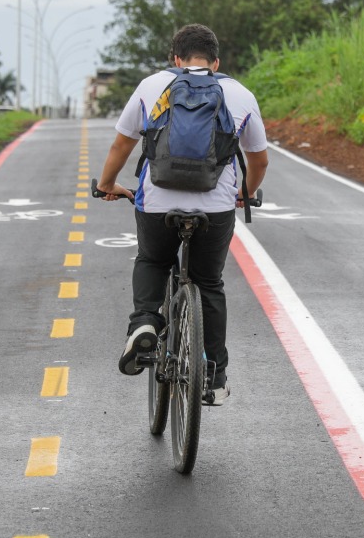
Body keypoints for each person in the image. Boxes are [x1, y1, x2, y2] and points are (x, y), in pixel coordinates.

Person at [95, 24, 268, 405]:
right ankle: (215, 377)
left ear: (175, 58)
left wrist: (108, 184)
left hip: (157, 202)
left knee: (153, 259)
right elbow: (259, 158)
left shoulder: (151, 86)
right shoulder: (239, 93)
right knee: (209, 283)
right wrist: (246, 193)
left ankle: (143, 324)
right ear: (216, 60)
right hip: (216, 206)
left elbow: (121, 144)